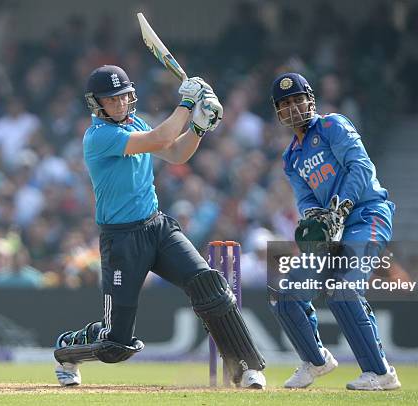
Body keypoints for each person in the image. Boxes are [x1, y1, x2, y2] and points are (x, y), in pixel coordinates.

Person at [53, 65, 266, 389]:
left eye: (124, 96)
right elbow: (161, 138)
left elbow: (177, 152)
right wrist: (187, 103)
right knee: (116, 345)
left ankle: (246, 366)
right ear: (97, 104)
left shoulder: (135, 123)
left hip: (157, 227)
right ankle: (69, 348)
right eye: (112, 100)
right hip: (121, 240)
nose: (121, 104)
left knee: (209, 284)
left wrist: (198, 126)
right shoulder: (99, 136)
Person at [267, 72, 401, 390]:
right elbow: (307, 200)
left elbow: (360, 167)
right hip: (331, 229)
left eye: (299, 99)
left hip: (367, 216)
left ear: (310, 100)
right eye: (286, 103)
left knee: (343, 290)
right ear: (278, 112)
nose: (294, 107)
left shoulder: (332, 126)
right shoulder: (291, 158)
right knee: (287, 293)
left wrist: (339, 208)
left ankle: (380, 373)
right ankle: (316, 360)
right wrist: (316, 219)